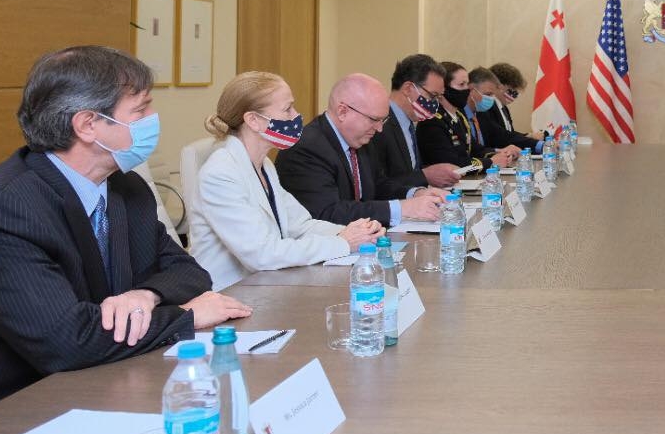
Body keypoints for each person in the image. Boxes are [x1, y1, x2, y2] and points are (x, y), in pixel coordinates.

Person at [0, 46, 249, 420]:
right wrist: (184, 317)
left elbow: (189, 273)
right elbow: (65, 341)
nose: (152, 120)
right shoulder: (2, 205)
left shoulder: (126, 189)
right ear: (87, 125)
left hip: (96, 385)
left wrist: (145, 295)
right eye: (140, 111)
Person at [189, 71, 383, 290]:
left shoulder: (264, 165)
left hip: (265, 287)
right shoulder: (220, 174)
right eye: (287, 109)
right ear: (253, 120)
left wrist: (353, 232)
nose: (296, 115)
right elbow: (262, 254)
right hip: (229, 294)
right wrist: (343, 243)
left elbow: (300, 225)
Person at [276, 74, 445, 227]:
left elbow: (378, 185)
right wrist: (402, 209)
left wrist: (415, 194)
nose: (379, 129)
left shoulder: (359, 139)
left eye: (383, 120)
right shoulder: (305, 148)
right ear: (342, 111)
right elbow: (328, 213)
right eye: (374, 119)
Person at [367, 55, 461, 190]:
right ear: (408, 89)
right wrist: (425, 176)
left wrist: (437, 173)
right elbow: (377, 184)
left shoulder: (409, 121)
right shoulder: (378, 125)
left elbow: (410, 170)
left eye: (439, 97)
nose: (435, 103)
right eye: (433, 96)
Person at [416, 62, 517, 170]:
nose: (467, 89)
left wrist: (500, 153)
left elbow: (476, 150)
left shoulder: (459, 116)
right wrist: (490, 162)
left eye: (467, 84)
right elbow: (451, 163)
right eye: (461, 84)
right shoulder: (432, 121)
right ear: (443, 88)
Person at [480, 62, 546, 152]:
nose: (513, 96)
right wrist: (540, 145)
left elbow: (509, 133)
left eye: (516, 93)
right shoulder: (487, 107)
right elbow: (501, 136)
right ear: (499, 86)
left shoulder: (503, 107)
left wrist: (528, 136)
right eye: (511, 92)